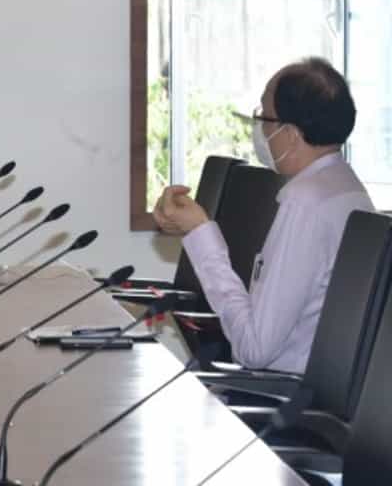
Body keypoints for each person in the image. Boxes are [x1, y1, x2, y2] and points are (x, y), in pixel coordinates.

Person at [153, 57, 373, 373]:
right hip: (309, 387)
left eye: (264, 117)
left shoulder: (305, 202)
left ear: (290, 134)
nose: (259, 130)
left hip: (277, 391)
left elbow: (254, 349)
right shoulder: (346, 186)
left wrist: (200, 233)